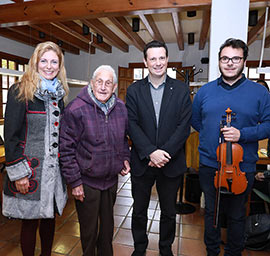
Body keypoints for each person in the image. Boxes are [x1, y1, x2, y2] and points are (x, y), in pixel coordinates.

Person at [192, 38, 270, 256]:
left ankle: (234, 253)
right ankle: (212, 252)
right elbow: (196, 121)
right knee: (212, 214)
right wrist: (210, 138)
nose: (229, 63)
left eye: (235, 58)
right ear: (219, 61)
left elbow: (268, 125)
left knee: (237, 215)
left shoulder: (259, 92)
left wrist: (242, 134)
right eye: (225, 58)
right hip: (210, 164)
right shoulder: (205, 92)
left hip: (242, 166)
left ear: (244, 61)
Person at [126, 40, 192, 256]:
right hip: (142, 162)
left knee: (169, 212)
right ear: (145, 62)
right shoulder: (134, 90)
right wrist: (150, 152)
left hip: (170, 162)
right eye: (152, 58)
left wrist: (165, 153)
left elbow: (184, 126)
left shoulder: (182, 89)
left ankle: (166, 249)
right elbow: (131, 124)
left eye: (161, 58)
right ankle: (139, 248)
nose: (157, 62)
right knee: (138, 211)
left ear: (167, 60)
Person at [3, 41, 69, 256]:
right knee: (30, 222)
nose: (49, 66)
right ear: (35, 63)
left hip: (53, 172)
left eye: (54, 62)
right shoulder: (20, 91)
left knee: (50, 219)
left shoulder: (60, 96)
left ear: (59, 66)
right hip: (30, 171)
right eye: (44, 61)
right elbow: (10, 136)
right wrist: (19, 174)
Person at [59, 65, 130, 256]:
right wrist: (75, 183)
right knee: (89, 232)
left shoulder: (121, 108)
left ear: (114, 87)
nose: (103, 87)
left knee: (107, 231)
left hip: (111, 181)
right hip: (86, 182)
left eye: (108, 83)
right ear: (92, 83)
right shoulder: (76, 109)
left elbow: (123, 139)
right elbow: (66, 150)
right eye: (99, 81)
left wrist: (124, 158)